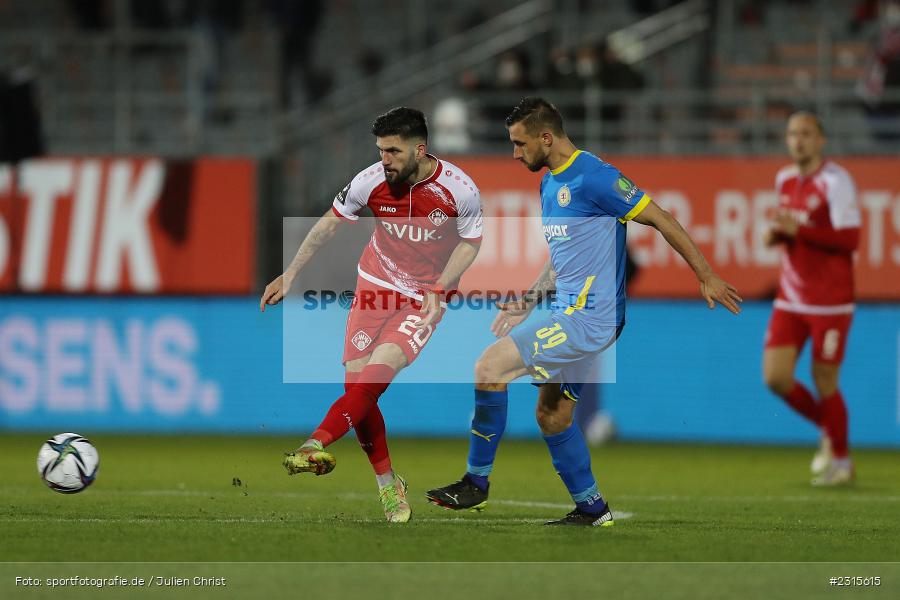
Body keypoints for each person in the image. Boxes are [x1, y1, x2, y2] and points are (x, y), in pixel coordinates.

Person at [425, 97, 741, 526]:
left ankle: (475, 483)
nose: (515, 154)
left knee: (489, 367)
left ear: (546, 137)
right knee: (552, 415)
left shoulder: (595, 176)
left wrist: (705, 274)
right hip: (568, 315)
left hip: (591, 319)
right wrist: (529, 299)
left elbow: (662, 218)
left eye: (520, 144)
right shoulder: (549, 183)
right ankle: (593, 508)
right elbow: (561, 256)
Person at [260, 107, 483, 522]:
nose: (386, 160)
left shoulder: (459, 190)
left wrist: (442, 285)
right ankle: (389, 485)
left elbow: (470, 243)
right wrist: (291, 272)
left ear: (420, 149)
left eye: (394, 152)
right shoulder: (371, 181)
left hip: (422, 299)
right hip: (373, 286)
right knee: (357, 388)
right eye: (381, 151)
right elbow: (330, 222)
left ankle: (315, 442)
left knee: (371, 383)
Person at [762, 111, 861, 487]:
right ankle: (829, 426)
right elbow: (794, 230)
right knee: (775, 377)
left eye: (806, 133)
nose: (798, 140)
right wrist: (781, 236)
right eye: (792, 133)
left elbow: (850, 240)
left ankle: (841, 461)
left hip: (830, 301)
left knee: (825, 379)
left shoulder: (837, 182)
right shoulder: (785, 179)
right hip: (791, 298)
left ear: (821, 140)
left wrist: (799, 231)